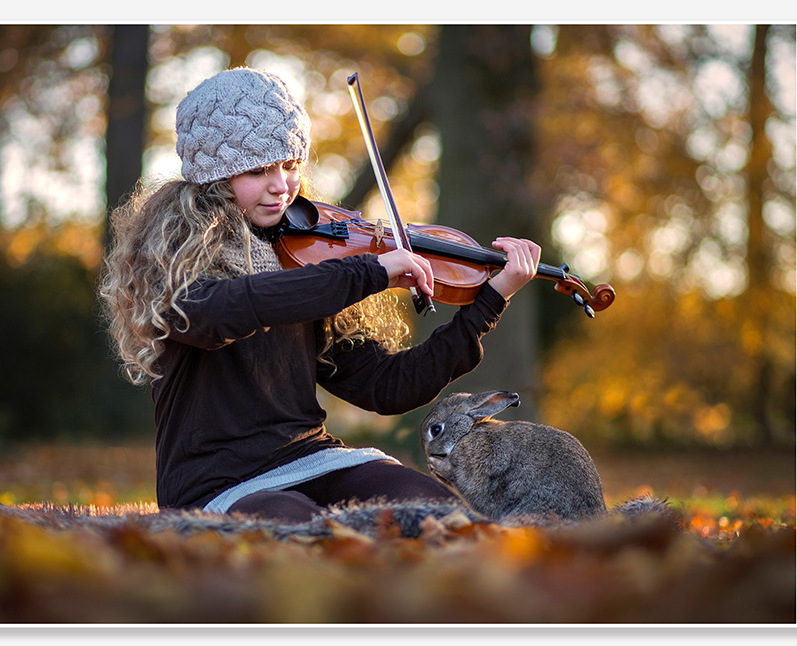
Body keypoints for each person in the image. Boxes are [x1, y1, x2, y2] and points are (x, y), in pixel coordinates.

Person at [99, 67, 541, 522]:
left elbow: (386, 388)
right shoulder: (177, 258)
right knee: (296, 526)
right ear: (214, 176)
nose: (281, 185)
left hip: (310, 457)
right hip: (216, 479)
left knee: (437, 512)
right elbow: (227, 311)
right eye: (258, 170)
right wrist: (363, 273)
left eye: (290, 165)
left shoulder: (305, 255)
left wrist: (489, 302)